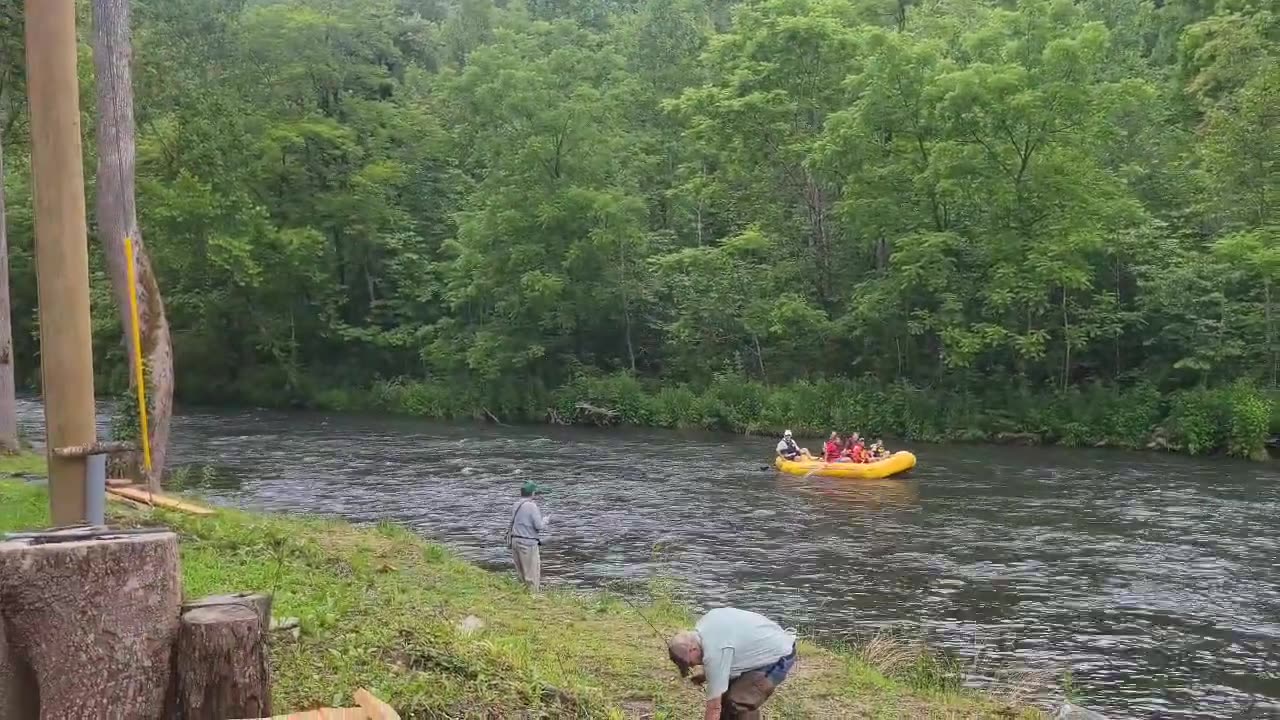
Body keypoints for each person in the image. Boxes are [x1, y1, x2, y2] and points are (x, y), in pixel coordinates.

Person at [667, 607, 799, 720]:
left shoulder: (715, 652)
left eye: (690, 662)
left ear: (693, 649)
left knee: (739, 702)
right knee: (726, 700)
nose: (693, 666)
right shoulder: (705, 622)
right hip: (764, 643)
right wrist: (707, 675)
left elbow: (713, 707)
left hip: (780, 654)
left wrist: (712, 675)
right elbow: (728, 647)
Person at [504, 481, 550, 593]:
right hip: (528, 544)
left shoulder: (516, 504)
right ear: (533, 493)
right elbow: (538, 526)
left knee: (522, 574)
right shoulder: (532, 506)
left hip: (515, 541)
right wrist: (545, 521)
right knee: (531, 575)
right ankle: (533, 598)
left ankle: (523, 596)